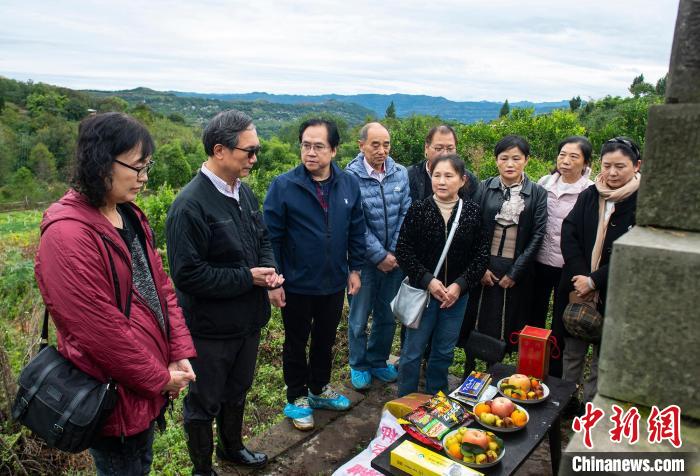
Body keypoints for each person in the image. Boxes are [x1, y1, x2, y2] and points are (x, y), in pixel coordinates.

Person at [34, 112, 197, 476]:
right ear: (101, 161)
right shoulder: (68, 235)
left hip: (143, 385)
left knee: (141, 462)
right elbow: (102, 333)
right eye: (136, 168)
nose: (144, 178)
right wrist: (159, 378)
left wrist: (178, 352)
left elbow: (161, 288)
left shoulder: (128, 214)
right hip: (112, 394)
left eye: (147, 167)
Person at [166, 110, 281, 474]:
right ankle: (203, 469)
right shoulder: (190, 206)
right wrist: (249, 279)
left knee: (238, 390)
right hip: (209, 329)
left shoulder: (242, 192)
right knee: (203, 403)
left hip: (247, 322)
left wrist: (269, 269)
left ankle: (231, 449)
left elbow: (262, 238)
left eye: (256, 150)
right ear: (219, 150)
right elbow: (188, 275)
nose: (255, 158)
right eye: (248, 151)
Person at [263, 118, 365, 431]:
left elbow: (356, 228)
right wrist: (275, 280)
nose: (310, 152)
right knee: (296, 341)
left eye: (318, 146)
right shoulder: (284, 185)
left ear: (334, 150)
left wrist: (355, 268)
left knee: (325, 338)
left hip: (333, 281)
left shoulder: (348, 184)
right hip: (295, 283)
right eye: (305, 145)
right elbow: (271, 237)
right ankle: (297, 397)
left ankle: (318, 388)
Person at [396, 155, 488, 397]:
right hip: (424, 294)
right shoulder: (419, 210)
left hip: (455, 298)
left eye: (449, 176)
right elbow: (403, 251)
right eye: (437, 175)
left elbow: (481, 257)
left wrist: (459, 285)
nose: (442, 181)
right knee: (412, 351)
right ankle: (405, 401)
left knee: (444, 351)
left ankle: (436, 400)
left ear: (462, 180)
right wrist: (428, 280)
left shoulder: (472, 213)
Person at [559, 136, 641, 406]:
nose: (612, 173)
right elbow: (569, 234)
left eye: (620, 166)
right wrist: (582, 277)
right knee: (573, 349)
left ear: (636, 165)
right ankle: (567, 401)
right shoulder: (590, 195)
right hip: (578, 285)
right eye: (607, 166)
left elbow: (634, 253)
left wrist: (595, 280)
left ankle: (591, 408)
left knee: (602, 355)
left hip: (617, 291)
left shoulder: (642, 202)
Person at [459, 135, 547, 376]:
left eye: (516, 158)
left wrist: (515, 272)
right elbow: (472, 227)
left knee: (506, 320)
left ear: (526, 161)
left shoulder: (538, 193)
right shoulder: (485, 187)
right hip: (485, 266)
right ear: (496, 161)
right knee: (477, 317)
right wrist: (481, 267)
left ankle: (496, 372)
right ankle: (469, 370)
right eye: (504, 158)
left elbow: (538, 235)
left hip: (516, 268)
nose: (510, 164)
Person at [345, 122, 411, 390]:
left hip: (394, 261)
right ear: (361, 145)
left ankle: (378, 361)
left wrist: (393, 252)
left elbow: (406, 212)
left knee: (386, 314)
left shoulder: (400, 173)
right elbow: (354, 223)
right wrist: (378, 255)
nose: (382, 150)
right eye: (375, 144)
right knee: (359, 316)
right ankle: (358, 364)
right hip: (363, 261)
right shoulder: (349, 177)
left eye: (386, 144)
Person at [531, 136, 594, 378]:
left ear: (585, 162)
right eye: (562, 155)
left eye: (573, 156)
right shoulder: (544, 184)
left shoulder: (589, 191)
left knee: (561, 322)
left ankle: (556, 375)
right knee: (535, 317)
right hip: (540, 261)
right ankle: (531, 367)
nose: (565, 161)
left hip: (569, 267)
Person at [406, 124, 479, 202]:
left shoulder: (469, 179)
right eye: (438, 149)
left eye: (450, 149)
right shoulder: (408, 176)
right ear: (426, 148)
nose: (445, 154)